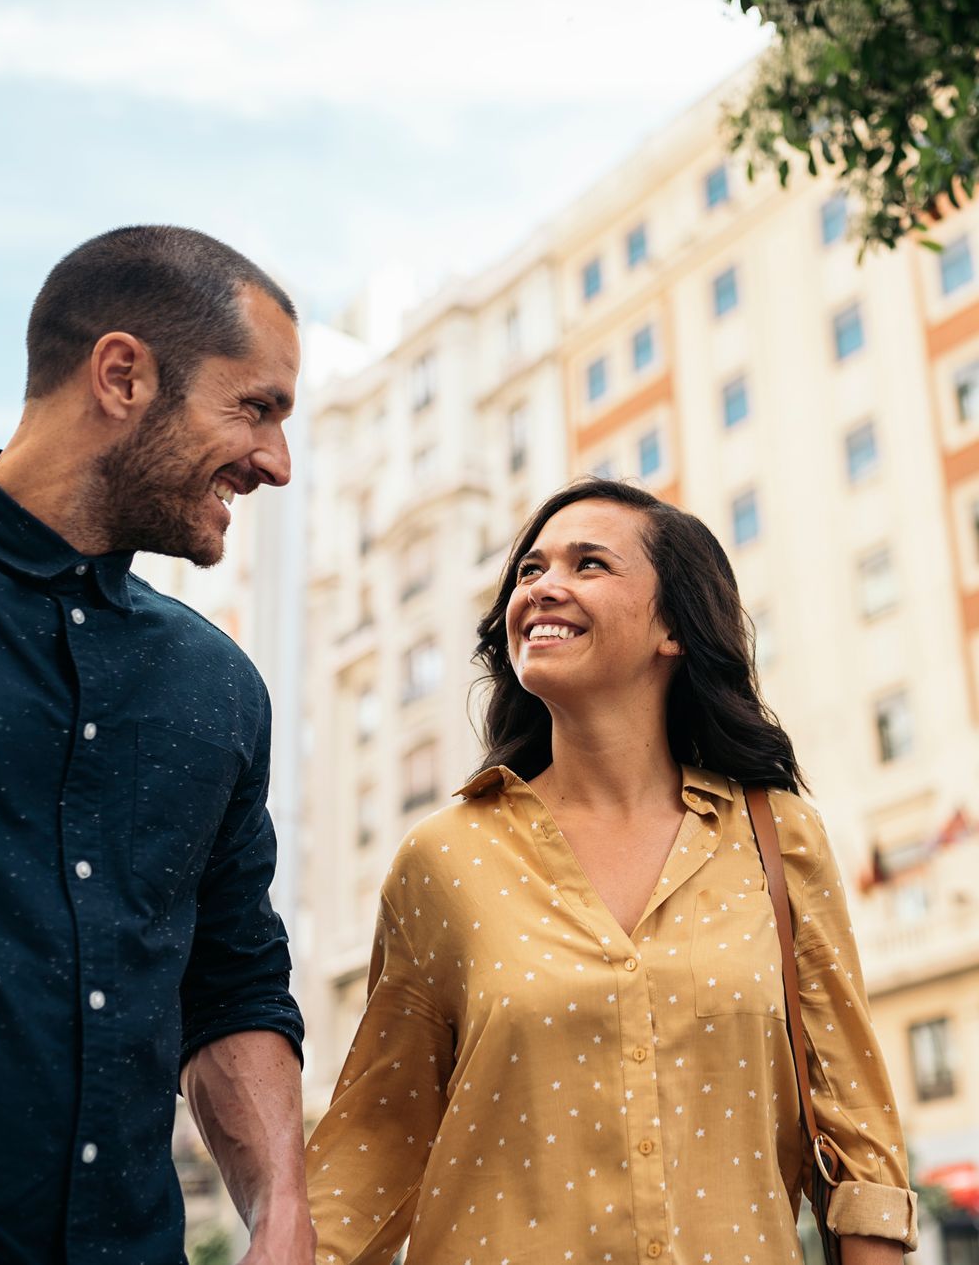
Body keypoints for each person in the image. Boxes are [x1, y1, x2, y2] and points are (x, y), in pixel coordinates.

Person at [0, 226, 313, 1264]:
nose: (277, 462)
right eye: (256, 407)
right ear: (122, 375)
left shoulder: (219, 688)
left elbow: (231, 983)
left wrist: (281, 1213)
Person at [306, 478, 919, 1263]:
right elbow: (374, 1144)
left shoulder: (779, 840)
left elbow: (858, 1137)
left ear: (675, 629)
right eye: (530, 571)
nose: (543, 588)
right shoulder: (445, 861)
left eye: (588, 564)